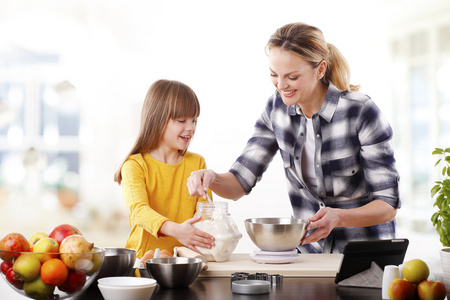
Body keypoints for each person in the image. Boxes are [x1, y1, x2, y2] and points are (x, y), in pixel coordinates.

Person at [186, 22, 400, 253]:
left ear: (320, 70)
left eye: (292, 76)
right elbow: (239, 183)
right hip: (310, 256)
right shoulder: (276, 109)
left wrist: (338, 217)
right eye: (274, 75)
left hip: (364, 256)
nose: (281, 85)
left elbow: (388, 204)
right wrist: (212, 178)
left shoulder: (360, 111)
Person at [114, 79, 215, 259]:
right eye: (182, 120)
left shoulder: (197, 164)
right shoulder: (135, 165)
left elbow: (206, 216)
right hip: (143, 266)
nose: (191, 128)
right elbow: (139, 211)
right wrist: (176, 230)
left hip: (184, 266)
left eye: (194, 120)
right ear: (158, 120)